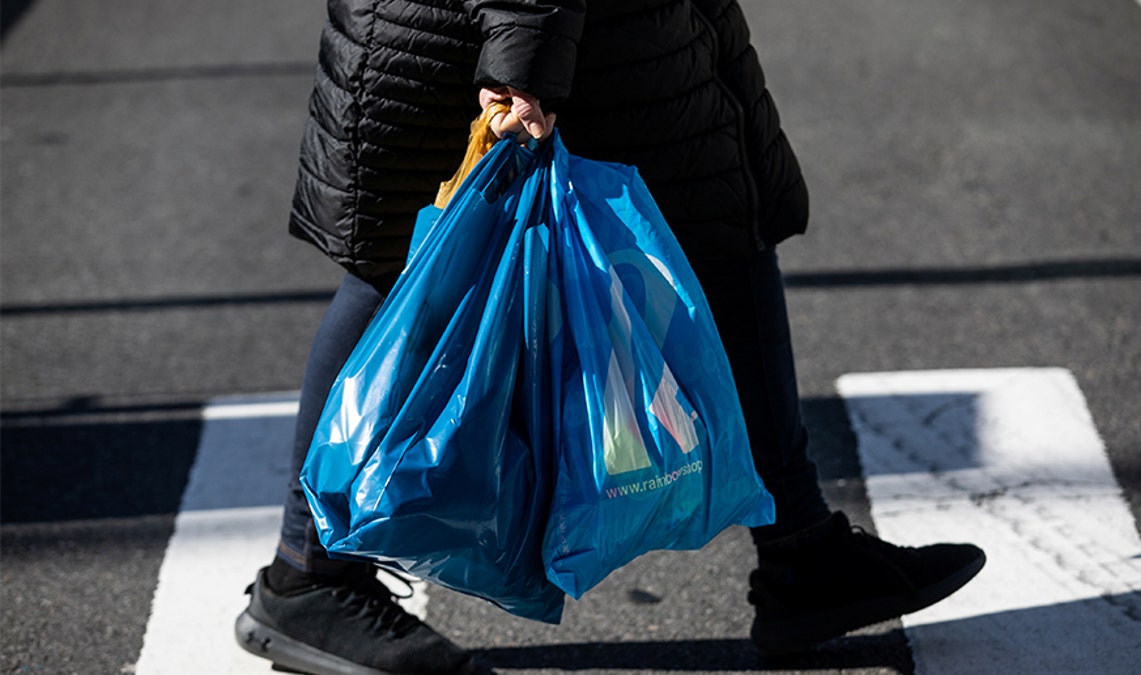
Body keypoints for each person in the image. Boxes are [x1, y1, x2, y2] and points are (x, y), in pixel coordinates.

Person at [234, 1, 986, 673]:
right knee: (417, 275)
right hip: (489, 30)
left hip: (605, 29)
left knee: (724, 230)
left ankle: (802, 550)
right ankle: (311, 578)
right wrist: (522, 56)